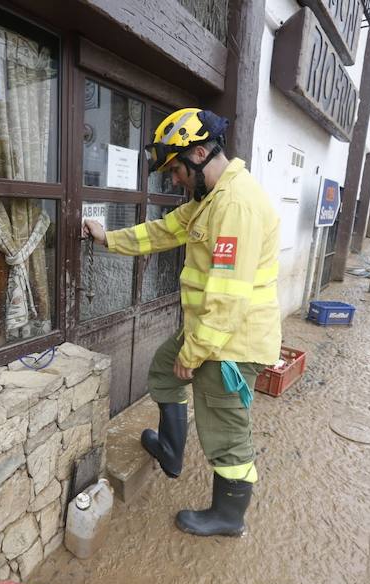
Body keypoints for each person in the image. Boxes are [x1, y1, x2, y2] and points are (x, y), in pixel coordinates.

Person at [82, 108, 282, 537]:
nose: (173, 179)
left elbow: (228, 298)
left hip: (231, 341)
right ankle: (171, 451)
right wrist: (107, 238)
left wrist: (194, 354)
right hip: (209, 331)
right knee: (162, 371)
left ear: (198, 152)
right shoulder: (209, 199)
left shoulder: (235, 205)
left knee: (226, 429)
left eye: (175, 169)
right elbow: (163, 232)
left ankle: (228, 517)